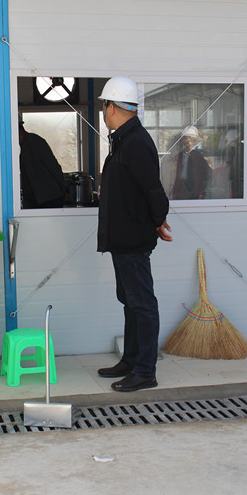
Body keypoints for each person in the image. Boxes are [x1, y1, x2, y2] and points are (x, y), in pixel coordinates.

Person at [95, 76, 173, 392]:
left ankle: (145, 371)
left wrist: (157, 221)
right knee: (129, 300)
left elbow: (154, 191)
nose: (103, 111)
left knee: (142, 303)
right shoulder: (124, 139)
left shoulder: (135, 141)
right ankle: (130, 360)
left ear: (111, 106)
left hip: (132, 239)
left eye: (104, 105)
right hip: (123, 237)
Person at [19, 120, 65, 208]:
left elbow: (54, 167)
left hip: (49, 198)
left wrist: (63, 188)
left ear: (19, 131)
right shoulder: (24, 146)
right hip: (37, 199)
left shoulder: (34, 142)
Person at [170, 125, 211, 200]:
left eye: (186, 138)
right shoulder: (180, 156)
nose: (184, 141)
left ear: (192, 140)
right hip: (182, 192)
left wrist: (201, 192)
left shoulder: (198, 156)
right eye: (183, 139)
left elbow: (206, 174)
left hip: (194, 192)